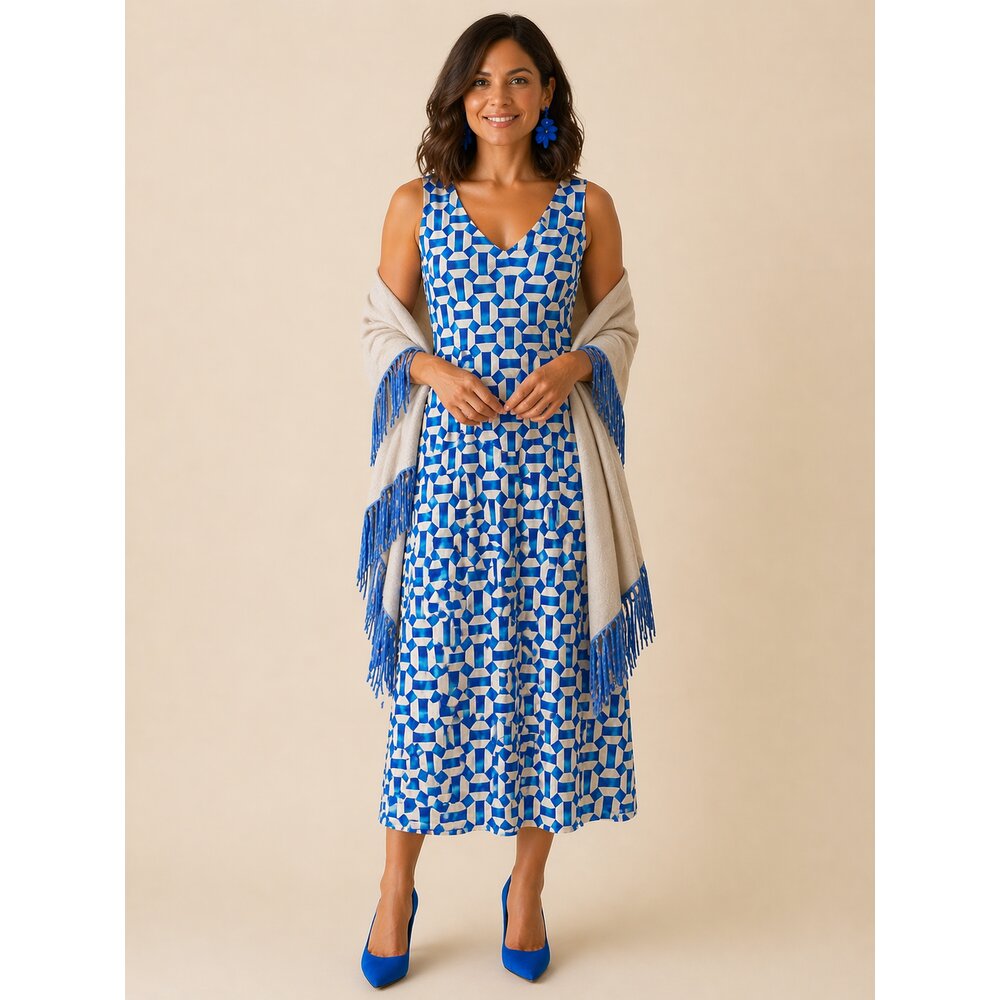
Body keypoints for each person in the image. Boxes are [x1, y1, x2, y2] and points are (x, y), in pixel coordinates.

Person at [360, 13, 643, 986]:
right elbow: (380, 327)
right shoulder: (417, 204)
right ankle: (395, 887)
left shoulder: (588, 207)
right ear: (459, 95)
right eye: (481, 82)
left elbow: (618, 327)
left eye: (519, 79)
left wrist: (575, 364)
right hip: (450, 480)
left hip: (554, 482)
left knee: (548, 675)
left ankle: (526, 888)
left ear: (547, 93)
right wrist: (431, 370)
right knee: (431, 680)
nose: (499, 99)